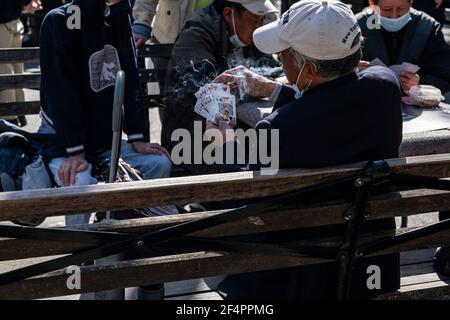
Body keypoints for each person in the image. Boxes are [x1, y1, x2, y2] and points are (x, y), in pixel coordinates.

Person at [212, 0, 403, 299]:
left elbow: (252, 208)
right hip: (369, 267)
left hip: (297, 279)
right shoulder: (387, 88)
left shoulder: (275, 131)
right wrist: (276, 88)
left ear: (310, 68)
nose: (280, 59)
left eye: (283, 54)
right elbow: (331, 107)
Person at [38, 0, 172, 228]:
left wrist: (137, 138)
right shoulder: (58, 21)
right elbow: (61, 92)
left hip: (106, 143)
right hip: (62, 140)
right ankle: (78, 251)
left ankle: (132, 232)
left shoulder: (118, 16)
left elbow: (129, 79)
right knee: (80, 180)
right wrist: (75, 150)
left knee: (158, 163)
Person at [161, 0, 279, 175]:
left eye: (261, 21)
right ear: (227, 13)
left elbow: (272, 72)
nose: (258, 27)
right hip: (194, 136)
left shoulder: (249, 35)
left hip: (238, 132)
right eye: (254, 21)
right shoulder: (196, 35)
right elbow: (209, 94)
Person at [356, 0, 450, 94]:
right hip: (368, 100)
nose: (394, 16)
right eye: (387, 9)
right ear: (372, 4)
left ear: (411, 2)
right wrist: (353, 71)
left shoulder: (428, 28)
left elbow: (444, 75)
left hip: (415, 104)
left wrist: (420, 84)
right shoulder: (357, 27)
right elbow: (342, 73)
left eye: (401, 9)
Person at [0, 0, 42, 126]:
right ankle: (19, 113)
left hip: (3, 20)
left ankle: (10, 117)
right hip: (13, 19)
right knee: (15, 66)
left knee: (5, 68)